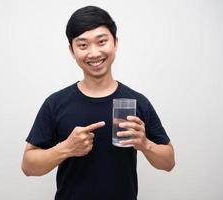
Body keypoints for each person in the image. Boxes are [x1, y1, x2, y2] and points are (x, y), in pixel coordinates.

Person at [21, 5, 175, 200]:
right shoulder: (55, 103)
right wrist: (66, 148)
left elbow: (169, 162)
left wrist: (145, 144)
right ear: (72, 50)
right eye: (83, 45)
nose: (94, 53)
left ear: (115, 43)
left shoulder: (137, 101)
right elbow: (28, 166)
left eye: (101, 41)